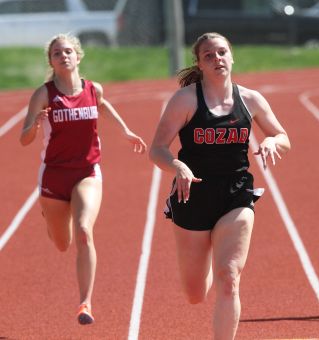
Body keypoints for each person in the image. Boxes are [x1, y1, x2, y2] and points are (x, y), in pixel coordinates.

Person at [149, 32, 291, 339]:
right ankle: (209, 258)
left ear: (232, 56)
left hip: (236, 193)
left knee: (229, 278)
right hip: (193, 195)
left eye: (222, 53)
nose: (217, 59)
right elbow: (157, 148)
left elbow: (284, 136)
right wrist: (177, 165)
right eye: (209, 56)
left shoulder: (250, 99)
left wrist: (271, 140)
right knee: (195, 293)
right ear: (199, 64)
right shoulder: (186, 100)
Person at [19, 33, 147, 325]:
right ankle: (50, 218)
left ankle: (85, 303)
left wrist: (125, 131)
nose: (63, 56)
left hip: (87, 171)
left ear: (78, 56)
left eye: (68, 51)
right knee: (62, 242)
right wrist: (35, 125)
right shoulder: (44, 94)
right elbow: (23, 139)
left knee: (84, 231)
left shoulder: (93, 89)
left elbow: (103, 105)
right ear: (51, 61)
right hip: (54, 174)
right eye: (56, 54)